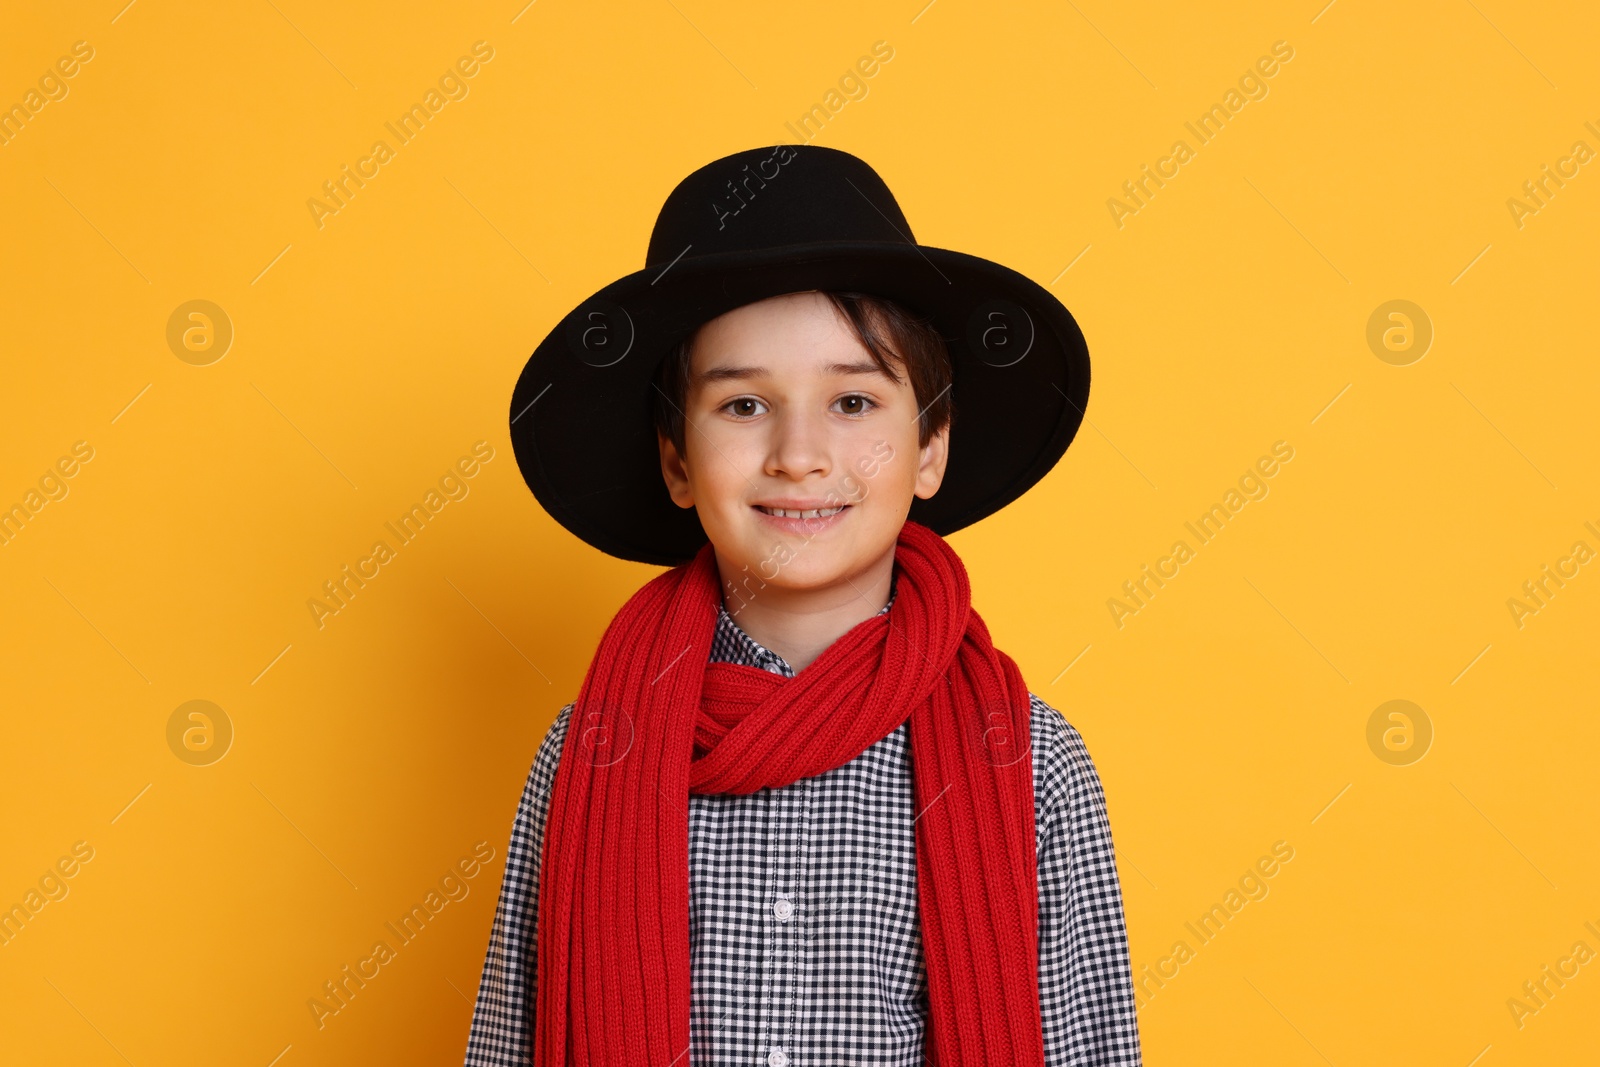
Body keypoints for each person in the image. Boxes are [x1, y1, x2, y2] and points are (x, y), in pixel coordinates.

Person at [466, 144, 1141, 1066]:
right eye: (744, 407)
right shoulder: (589, 748)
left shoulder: (1029, 760)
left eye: (854, 401)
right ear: (677, 461)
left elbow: (1091, 1046)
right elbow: (508, 1040)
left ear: (931, 448)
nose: (799, 454)